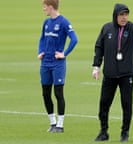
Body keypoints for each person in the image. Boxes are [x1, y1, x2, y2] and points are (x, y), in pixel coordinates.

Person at [92, 3, 133, 142]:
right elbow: (99, 47)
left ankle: (125, 133)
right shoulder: (107, 28)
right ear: (115, 15)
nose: (124, 18)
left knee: (127, 105)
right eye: (121, 15)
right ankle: (103, 132)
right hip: (109, 75)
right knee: (104, 104)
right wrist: (96, 66)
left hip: (126, 74)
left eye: (126, 15)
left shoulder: (132, 28)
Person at [38, 0, 78, 133]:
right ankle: (52, 123)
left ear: (50, 7)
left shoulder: (64, 22)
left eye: (45, 7)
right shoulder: (46, 22)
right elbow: (42, 39)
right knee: (45, 93)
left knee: (58, 93)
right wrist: (40, 51)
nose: (44, 10)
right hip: (45, 63)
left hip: (57, 64)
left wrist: (64, 53)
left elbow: (74, 39)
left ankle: (60, 125)